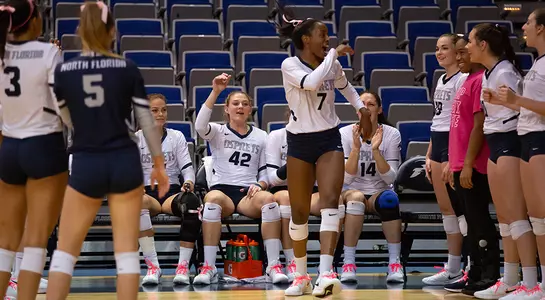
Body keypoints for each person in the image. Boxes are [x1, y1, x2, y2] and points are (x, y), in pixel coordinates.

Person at [45, 2, 169, 299]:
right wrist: (159, 164)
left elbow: (64, 119)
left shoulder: (63, 71)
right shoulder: (127, 68)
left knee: (65, 252)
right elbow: (145, 120)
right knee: (126, 252)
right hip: (124, 160)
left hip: (86, 158)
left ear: (80, 31)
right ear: (112, 31)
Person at [275, 3, 372, 296]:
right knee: (300, 212)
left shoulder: (333, 63)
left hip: (329, 138)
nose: (327, 39)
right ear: (306, 39)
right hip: (299, 142)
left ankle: (327, 272)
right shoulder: (290, 65)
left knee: (331, 202)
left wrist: (360, 109)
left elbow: (347, 87)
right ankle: (301, 276)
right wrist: (333, 55)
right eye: (322, 34)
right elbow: (311, 82)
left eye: (328, 36)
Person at [0, 0, 68, 298]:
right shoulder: (48, 52)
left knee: (6, 237)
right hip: (44, 144)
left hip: (10, 147)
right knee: (37, 236)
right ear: (34, 22)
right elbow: (61, 101)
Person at [193, 73, 287, 285]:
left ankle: (273, 265)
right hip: (222, 191)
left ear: (250, 109)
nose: (240, 107)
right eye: (235, 103)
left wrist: (260, 184)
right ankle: (208, 267)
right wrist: (216, 91)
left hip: (247, 192)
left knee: (269, 201)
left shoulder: (262, 135)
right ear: (226, 109)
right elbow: (199, 127)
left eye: (245, 103)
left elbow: (265, 172)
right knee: (212, 199)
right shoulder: (217, 131)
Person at [467, 23, 534, 298]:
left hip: (509, 142)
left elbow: (522, 107)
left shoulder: (505, 70)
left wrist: (505, 101)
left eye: (471, 41)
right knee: (505, 219)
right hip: (495, 143)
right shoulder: (488, 73)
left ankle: (530, 283)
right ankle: (509, 279)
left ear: (483, 44)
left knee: (517, 218)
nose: (467, 46)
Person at [496, 8, 545, 300]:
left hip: (541, 139)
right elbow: (531, 105)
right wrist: (512, 104)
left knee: (542, 216)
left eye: (528, 22)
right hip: (527, 137)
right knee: (536, 217)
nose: (523, 27)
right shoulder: (536, 62)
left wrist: (517, 99)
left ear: (541, 28)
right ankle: (534, 285)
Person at [441, 35, 495, 296]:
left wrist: (468, 165)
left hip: (474, 165)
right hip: (459, 162)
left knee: (479, 221)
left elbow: (478, 126)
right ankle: (474, 273)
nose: (460, 57)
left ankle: (489, 274)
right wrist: (454, 162)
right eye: (458, 53)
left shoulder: (480, 81)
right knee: (470, 224)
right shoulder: (465, 81)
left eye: (464, 53)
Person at [265, 118, 344, 283]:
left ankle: (326, 270)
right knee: (290, 202)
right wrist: (296, 165)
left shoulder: (328, 131)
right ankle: (292, 263)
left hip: (316, 189)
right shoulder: (277, 136)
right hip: (283, 189)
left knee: (337, 202)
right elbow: (272, 178)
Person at [338, 91, 404, 284]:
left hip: (379, 191)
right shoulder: (345, 133)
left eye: (371, 104)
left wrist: (375, 150)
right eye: (362, 104)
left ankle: (394, 263)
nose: (366, 107)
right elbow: (346, 177)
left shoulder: (391, 134)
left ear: (379, 109)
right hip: (351, 191)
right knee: (356, 198)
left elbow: (392, 177)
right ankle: (348, 263)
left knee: (390, 200)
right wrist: (357, 149)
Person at [136, 93, 197, 286]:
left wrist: (188, 183)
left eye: (163, 110)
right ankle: (153, 266)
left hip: (172, 194)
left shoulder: (176, 136)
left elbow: (187, 168)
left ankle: (183, 267)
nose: (160, 114)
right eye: (154, 110)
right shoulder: (136, 139)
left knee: (192, 203)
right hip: (147, 193)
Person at [422, 34, 468, 287]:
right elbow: (437, 119)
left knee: (463, 210)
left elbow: (460, 121)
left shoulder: (463, 79)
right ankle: (452, 268)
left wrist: (453, 155)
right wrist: (430, 154)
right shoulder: (440, 78)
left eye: (445, 48)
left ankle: (473, 266)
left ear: (457, 51)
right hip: (438, 142)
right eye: (437, 49)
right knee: (447, 210)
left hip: (454, 143)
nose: (439, 53)